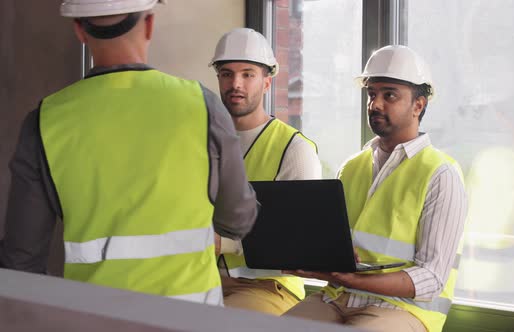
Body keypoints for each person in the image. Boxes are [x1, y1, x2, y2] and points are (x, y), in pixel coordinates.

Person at [0, 0, 258, 307]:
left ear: (80, 30)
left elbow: (22, 260)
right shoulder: (203, 106)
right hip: (193, 318)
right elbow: (239, 219)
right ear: (149, 24)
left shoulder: (44, 122)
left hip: (95, 318)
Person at [282, 45, 468, 332]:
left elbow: (431, 278)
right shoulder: (352, 167)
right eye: (372, 94)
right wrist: (311, 258)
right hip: (338, 298)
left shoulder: (440, 174)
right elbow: (336, 247)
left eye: (389, 95)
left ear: (418, 105)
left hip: (401, 309)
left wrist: (355, 280)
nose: (375, 104)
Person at [209, 28, 322, 315]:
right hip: (204, 280)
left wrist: (226, 244)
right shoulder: (201, 140)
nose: (236, 83)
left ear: (267, 82)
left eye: (248, 74)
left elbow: (297, 237)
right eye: (226, 74)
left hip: (267, 287)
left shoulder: (294, 149)